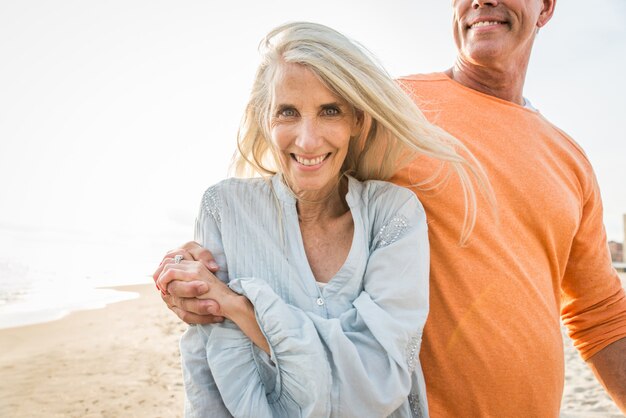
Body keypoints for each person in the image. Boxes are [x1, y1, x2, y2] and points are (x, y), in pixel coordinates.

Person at [157, 1, 626, 416]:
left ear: (545, 7)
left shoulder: (571, 158)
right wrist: (198, 263)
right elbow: (291, 184)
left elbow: (599, 314)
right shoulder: (388, 108)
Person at [154, 22, 489, 417]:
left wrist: (240, 307)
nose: (308, 140)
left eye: (330, 111)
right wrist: (209, 299)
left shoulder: (394, 214)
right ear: (266, 120)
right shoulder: (225, 209)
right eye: (287, 112)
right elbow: (210, 372)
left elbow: (377, 378)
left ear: (357, 122)